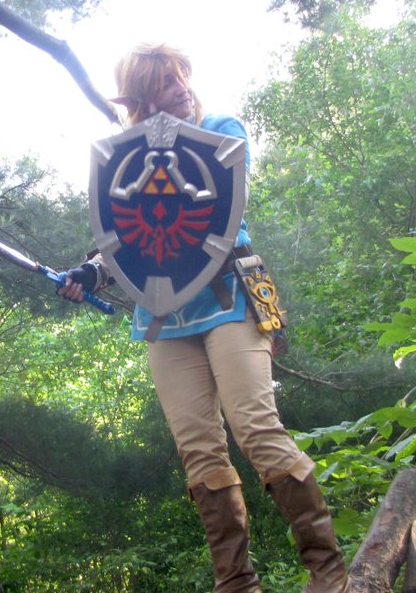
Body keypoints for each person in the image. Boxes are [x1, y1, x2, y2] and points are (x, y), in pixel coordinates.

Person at [58, 42, 350, 593]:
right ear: (141, 100)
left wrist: (163, 134)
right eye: (165, 83)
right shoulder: (124, 158)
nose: (181, 88)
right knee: (199, 450)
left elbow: (211, 210)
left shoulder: (218, 130)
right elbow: (129, 235)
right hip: (164, 317)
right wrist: (92, 272)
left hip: (229, 295)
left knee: (256, 429)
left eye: (181, 77)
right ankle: (236, 583)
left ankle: (329, 573)